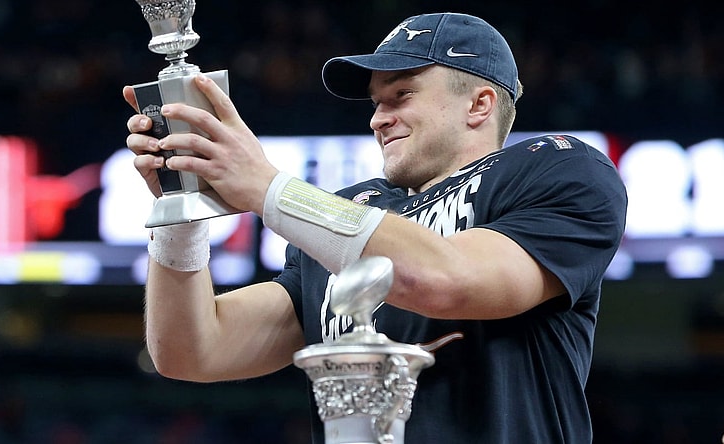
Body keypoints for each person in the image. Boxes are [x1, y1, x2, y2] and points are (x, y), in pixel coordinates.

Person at [123, 12, 627, 443]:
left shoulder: (555, 170)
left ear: (479, 105)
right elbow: (191, 350)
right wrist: (182, 207)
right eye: (375, 103)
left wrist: (267, 187)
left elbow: (446, 279)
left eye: (401, 95)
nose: (378, 119)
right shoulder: (352, 210)